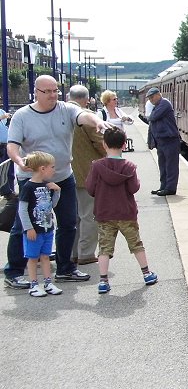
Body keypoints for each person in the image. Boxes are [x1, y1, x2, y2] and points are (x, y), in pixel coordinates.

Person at [4, 74, 110, 289]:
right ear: (36, 92)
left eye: (55, 91)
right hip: (32, 180)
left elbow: (83, 116)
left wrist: (98, 121)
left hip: (63, 176)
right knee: (23, 225)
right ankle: (14, 271)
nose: (53, 95)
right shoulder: (22, 116)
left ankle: (65, 268)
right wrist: (18, 160)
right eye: (48, 91)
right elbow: (12, 146)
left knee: (68, 223)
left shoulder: (66, 109)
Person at [85, 127, 158, 294]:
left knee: (104, 248)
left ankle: (103, 281)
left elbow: (90, 189)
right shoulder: (129, 167)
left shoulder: (97, 166)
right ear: (124, 145)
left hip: (104, 214)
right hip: (126, 214)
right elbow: (134, 188)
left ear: (104, 144)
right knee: (136, 244)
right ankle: (147, 274)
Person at [67, 85, 107, 265]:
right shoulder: (86, 118)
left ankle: (72, 253)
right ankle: (86, 253)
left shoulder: (59, 114)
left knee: (71, 216)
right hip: (86, 174)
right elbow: (100, 142)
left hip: (64, 174)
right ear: (86, 99)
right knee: (89, 215)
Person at [17, 151, 64, 297]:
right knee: (32, 258)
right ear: (43, 168)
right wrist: (28, 228)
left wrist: (57, 191)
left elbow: (52, 205)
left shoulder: (47, 185)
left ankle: (48, 282)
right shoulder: (28, 187)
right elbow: (22, 209)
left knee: (45, 256)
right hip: (34, 230)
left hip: (47, 228)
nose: (54, 170)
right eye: (52, 167)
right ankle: (33, 284)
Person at [146, 87, 180, 196]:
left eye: (152, 97)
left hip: (170, 140)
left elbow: (153, 117)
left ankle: (170, 188)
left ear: (158, 95)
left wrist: (150, 116)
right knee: (163, 165)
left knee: (171, 165)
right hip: (161, 141)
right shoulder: (156, 106)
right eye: (149, 98)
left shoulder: (165, 103)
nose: (151, 100)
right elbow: (151, 121)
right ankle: (163, 186)